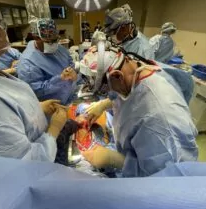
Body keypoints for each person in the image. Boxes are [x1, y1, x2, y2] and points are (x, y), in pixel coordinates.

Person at [85, 46, 198, 177]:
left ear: (117, 76)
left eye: (106, 90)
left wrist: (116, 160)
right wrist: (104, 104)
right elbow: (133, 97)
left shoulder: (160, 118)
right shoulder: (135, 69)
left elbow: (167, 179)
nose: (108, 94)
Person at [0, 0, 68, 161]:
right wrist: (54, 129)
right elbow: (27, 165)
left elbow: (10, 110)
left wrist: (36, 108)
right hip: (40, 167)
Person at [17, 19, 78, 105]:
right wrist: (60, 79)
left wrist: (73, 71)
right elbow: (36, 91)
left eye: (55, 40)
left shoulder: (59, 48)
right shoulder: (28, 63)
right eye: (49, 41)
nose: (53, 44)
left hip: (69, 98)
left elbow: (69, 60)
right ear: (36, 38)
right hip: (52, 108)